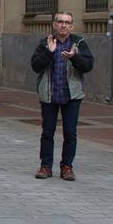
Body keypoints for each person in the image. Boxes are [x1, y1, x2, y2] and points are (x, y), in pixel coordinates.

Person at [31, 11, 94, 181]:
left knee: (70, 133)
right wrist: (49, 52)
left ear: (72, 26)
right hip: (50, 94)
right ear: (54, 24)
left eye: (67, 22)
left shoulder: (78, 43)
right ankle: (45, 166)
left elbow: (88, 66)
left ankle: (67, 166)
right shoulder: (45, 43)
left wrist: (75, 57)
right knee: (47, 132)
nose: (63, 25)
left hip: (71, 95)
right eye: (60, 21)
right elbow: (35, 66)